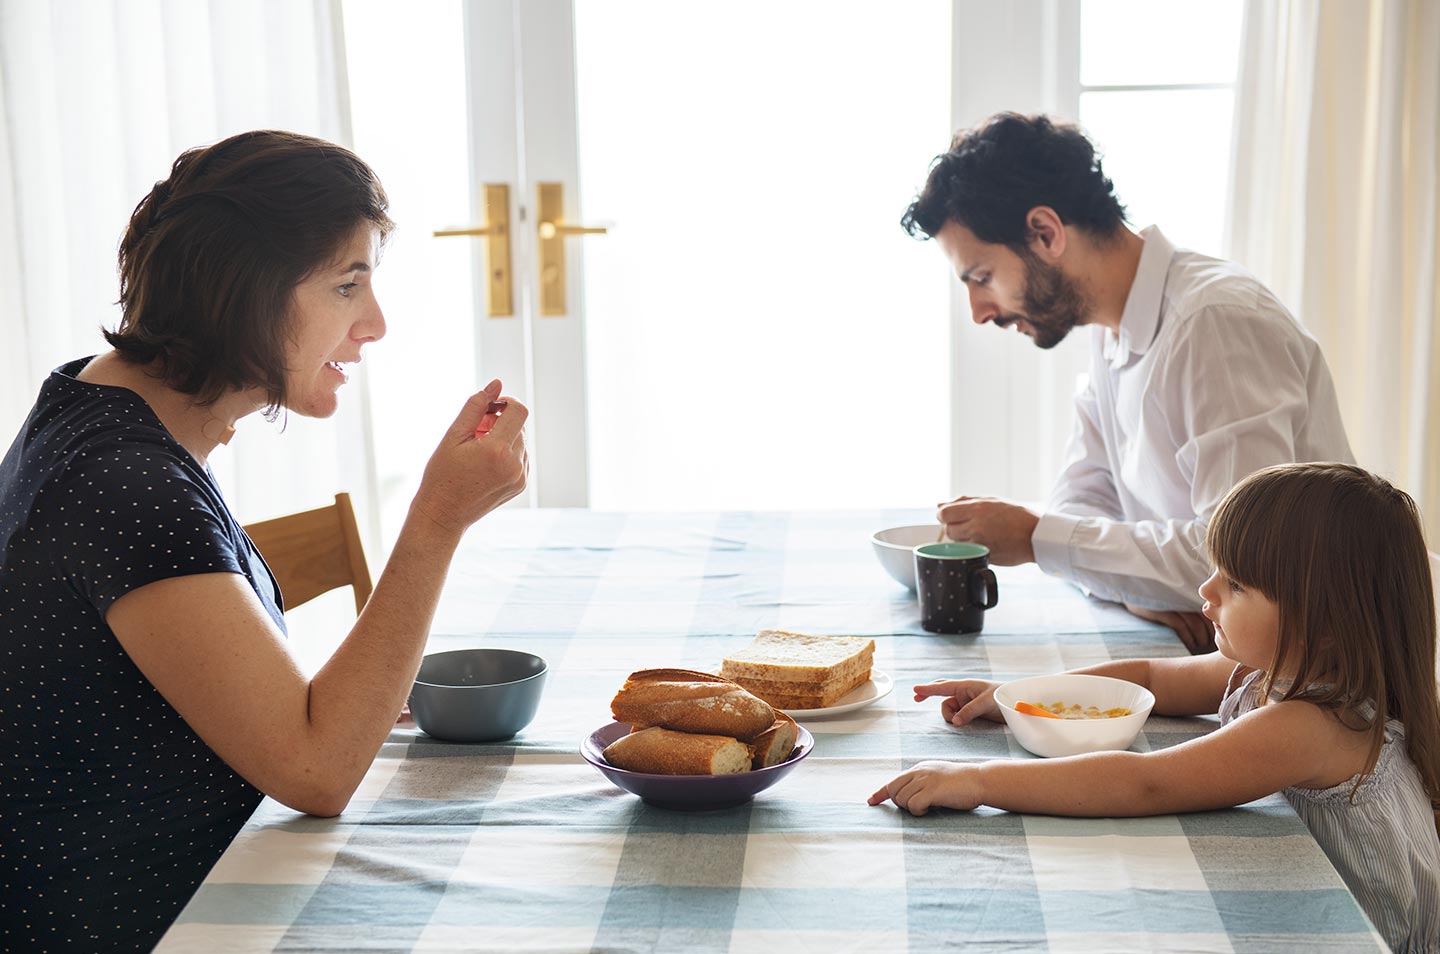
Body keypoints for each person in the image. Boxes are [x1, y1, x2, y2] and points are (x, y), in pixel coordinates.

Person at [0, 130, 529, 952]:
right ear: (242, 291)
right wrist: (436, 522)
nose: (375, 325)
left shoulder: (89, 405)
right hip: (135, 925)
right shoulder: (128, 488)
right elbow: (317, 774)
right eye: (347, 285)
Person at [869, 463, 1440, 952]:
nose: (1205, 592)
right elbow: (1151, 676)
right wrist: (1014, 696)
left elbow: (1146, 783)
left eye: (1236, 584)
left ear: (1327, 623)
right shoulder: (1279, 667)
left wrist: (980, 782)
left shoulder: (1313, 724)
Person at [902, 112, 1355, 652]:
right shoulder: (1111, 329)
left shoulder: (1213, 323)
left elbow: (1242, 560)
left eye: (982, 278)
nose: (978, 311)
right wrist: (1131, 591)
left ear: (1045, 233)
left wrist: (1032, 536)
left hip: (1328, 666)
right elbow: (1079, 507)